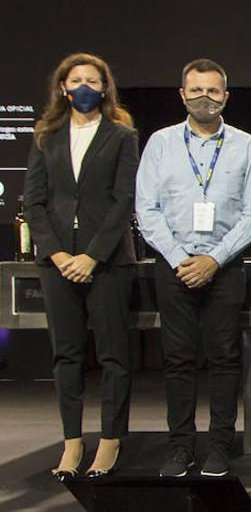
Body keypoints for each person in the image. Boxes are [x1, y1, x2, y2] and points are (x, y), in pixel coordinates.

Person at [136, 59, 251, 478]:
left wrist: (213, 259)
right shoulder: (160, 143)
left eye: (212, 91)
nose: (204, 97)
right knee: (177, 360)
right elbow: (147, 209)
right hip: (174, 266)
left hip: (224, 266)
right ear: (182, 94)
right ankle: (180, 447)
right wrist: (179, 259)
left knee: (226, 359)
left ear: (225, 96)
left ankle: (220, 446)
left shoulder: (247, 145)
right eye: (196, 90)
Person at [25, 53, 139, 479]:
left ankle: (111, 440)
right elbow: (34, 202)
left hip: (107, 259)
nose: (85, 86)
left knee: (113, 354)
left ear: (105, 88)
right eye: (77, 80)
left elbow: (123, 199)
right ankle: (72, 442)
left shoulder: (122, 135)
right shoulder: (46, 135)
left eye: (94, 80)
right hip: (57, 260)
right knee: (66, 355)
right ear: (63, 88)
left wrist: (92, 255)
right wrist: (57, 254)